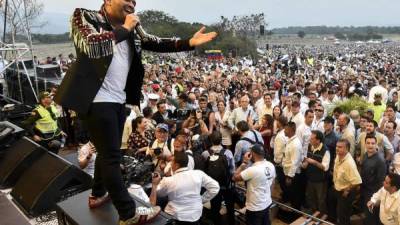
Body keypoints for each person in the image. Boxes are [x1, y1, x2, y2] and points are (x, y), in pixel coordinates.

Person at [54, 0, 217, 223]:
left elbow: (154, 41)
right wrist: (125, 29)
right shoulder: (85, 16)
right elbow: (91, 45)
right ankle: (129, 214)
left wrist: (188, 41)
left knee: (105, 152)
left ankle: (97, 194)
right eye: (127, 0)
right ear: (108, 1)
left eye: (134, 1)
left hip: (119, 99)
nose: (132, 4)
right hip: (97, 98)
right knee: (112, 157)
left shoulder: (132, 25)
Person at [150, 151, 220, 225]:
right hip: (194, 216)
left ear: (176, 165)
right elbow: (215, 187)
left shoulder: (168, 181)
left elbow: (158, 194)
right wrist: (201, 200)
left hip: (175, 217)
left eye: (171, 162)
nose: (170, 164)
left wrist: (155, 184)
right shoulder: (198, 174)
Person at [233, 144, 276, 225]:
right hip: (267, 203)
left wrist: (244, 162)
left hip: (255, 207)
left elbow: (234, 177)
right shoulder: (270, 165)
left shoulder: (252, 170)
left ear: (253, 154)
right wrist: (268, 196)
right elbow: (273, 182)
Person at [332, 139, 362, 225]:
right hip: (338, 188)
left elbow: (357, 181)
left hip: (345, 193)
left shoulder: (349, 163)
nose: (337, 148)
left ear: (347, 149)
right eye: (337, 146)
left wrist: (347, 190)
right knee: (339, 212)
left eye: (340, 147)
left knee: (343, 216)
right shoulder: (339, 156)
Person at [302, 130, 330, 215]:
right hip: (310, 178)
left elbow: (325, 167)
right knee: (310, 197)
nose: (310, 140)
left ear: (318, 140)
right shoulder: (310, 146)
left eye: (312, 138)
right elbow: (308, 158)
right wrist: (305, 163)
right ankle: (312, 211)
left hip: (320, 180)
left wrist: (313, 162)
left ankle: (321, 215)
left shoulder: (326, 151)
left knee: (320, 199)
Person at [361, 135, 386, 225]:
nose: (370, 145)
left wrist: (377, 199)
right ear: (365, 144)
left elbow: (381, 182)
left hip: (373, 193)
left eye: (373, 143)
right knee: (366, 215)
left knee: (371, 217)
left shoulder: (380, 161)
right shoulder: (365, 155)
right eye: (368, 143)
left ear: (376, 145)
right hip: (364, 190)